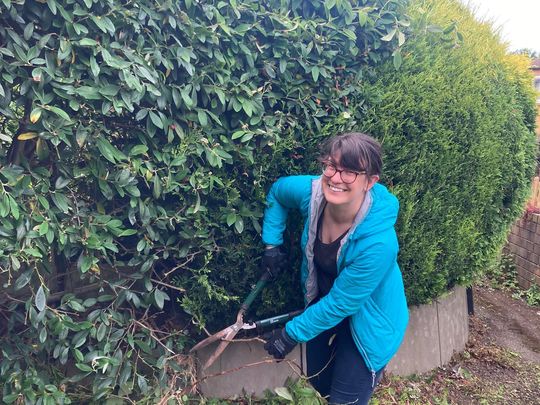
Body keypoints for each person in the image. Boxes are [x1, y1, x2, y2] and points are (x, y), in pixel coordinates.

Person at [260, 132, 409, 405]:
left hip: (370, 324)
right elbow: (278, 192)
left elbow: (342, 303)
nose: (336, 178)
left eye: (350, 171)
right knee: (319, 383)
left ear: (370, 181)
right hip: (325, 306)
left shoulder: (379, 243)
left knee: (345, 400)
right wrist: (271, 245)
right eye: (332, 166)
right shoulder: (313, 194)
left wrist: (290, 334)